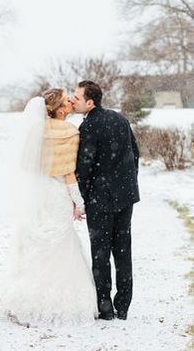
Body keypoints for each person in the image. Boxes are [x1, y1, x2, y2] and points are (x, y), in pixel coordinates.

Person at [0, 89, 98, 327]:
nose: (70, 103)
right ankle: (63, 302)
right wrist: (80, 204)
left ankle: (26, 299)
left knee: (34, 244)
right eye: (66, 102)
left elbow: (28, 165)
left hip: (37, 194)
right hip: (57, 195)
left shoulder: (35, 131)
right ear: (60, 109)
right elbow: (68, 172)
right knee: (59, 244)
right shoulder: (70, 132)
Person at [72, 80, 140, 321]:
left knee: (100, 252)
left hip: (100, 200)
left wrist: (79, 199)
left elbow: (85, 167)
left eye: (77, 98)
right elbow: (135, 153)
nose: (73, 100)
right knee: (123, 250)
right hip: (125, 196)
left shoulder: (88, 127)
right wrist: (130, 183)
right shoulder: (120, 119)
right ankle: (123, 305)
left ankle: (105, 307)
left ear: (90, 102)